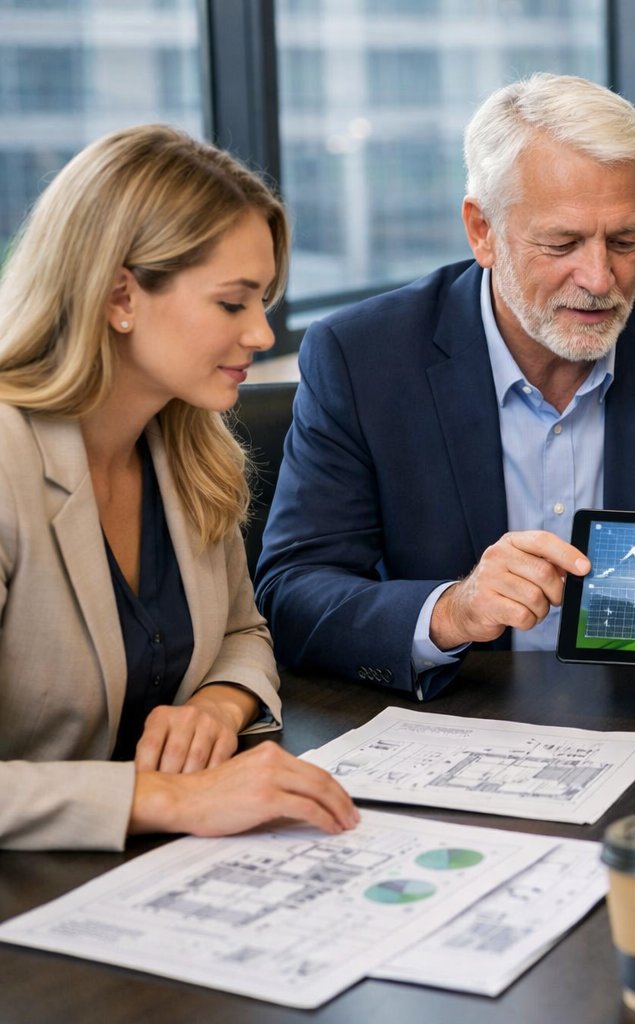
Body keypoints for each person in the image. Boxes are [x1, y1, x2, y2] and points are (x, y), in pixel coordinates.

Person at [255, 74, 635, 702]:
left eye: (625, 240)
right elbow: (293, 592)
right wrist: (452, 611)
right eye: (562, 242)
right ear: (482, 231)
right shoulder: (362, 357)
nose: (600, 277)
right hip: (456, 715)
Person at [0, 125, 358, 851]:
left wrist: (220, 705)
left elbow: (240, 631)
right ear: (119, 296)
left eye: (265, 301)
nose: (262, 334)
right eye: (234, 304)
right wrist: (171, 795)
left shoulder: (185, 441)